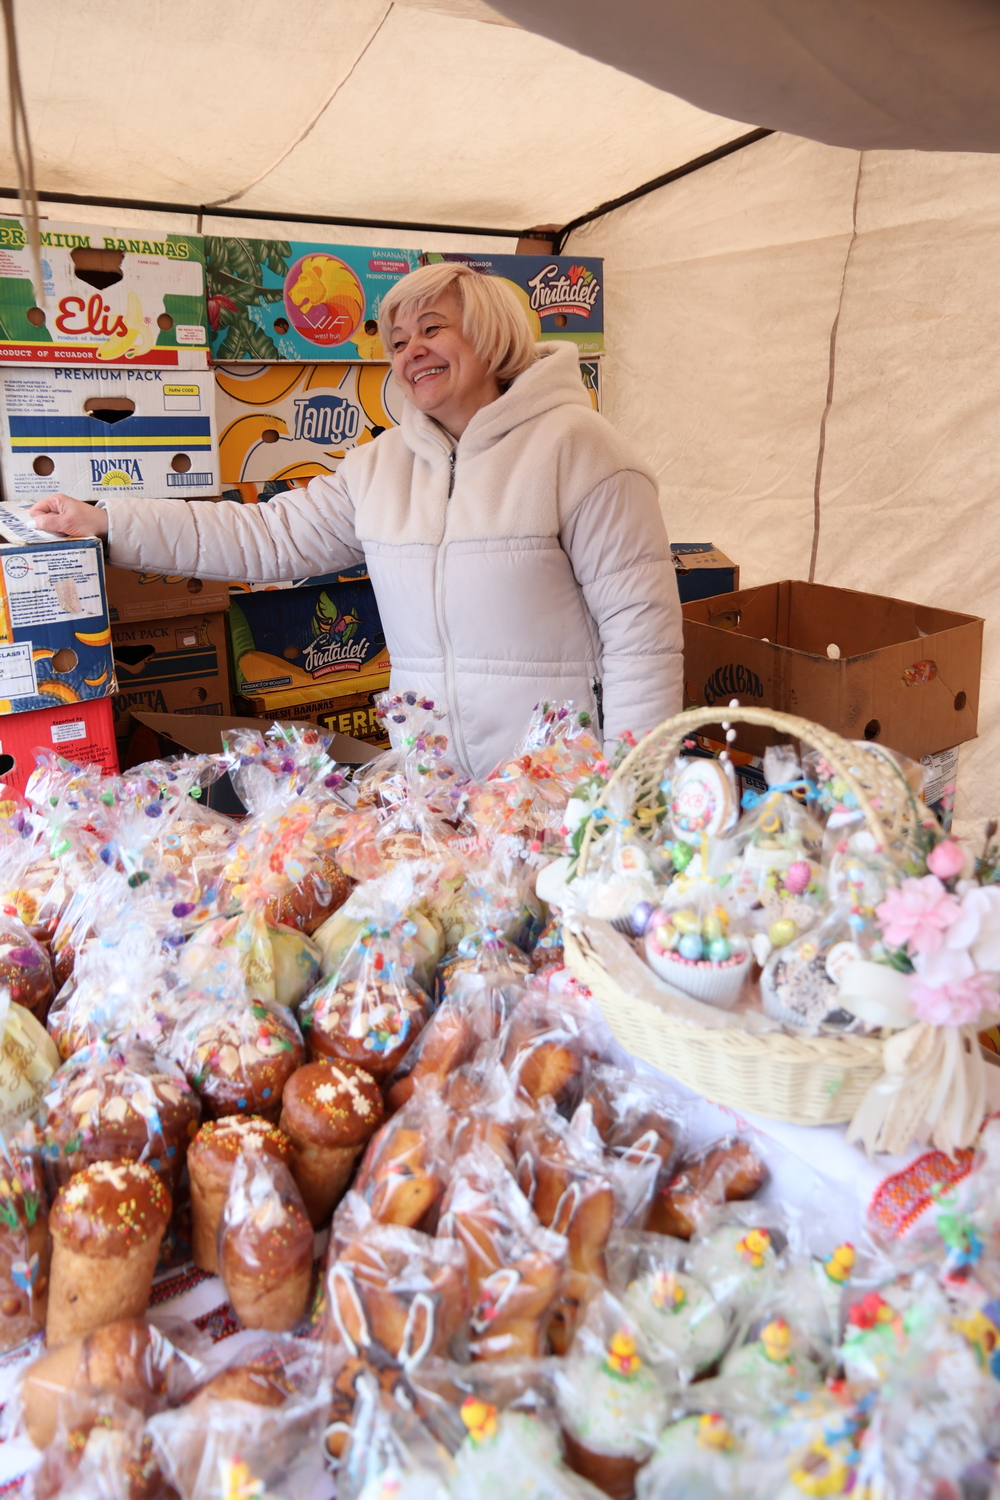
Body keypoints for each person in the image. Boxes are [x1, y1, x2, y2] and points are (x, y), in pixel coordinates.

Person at [29, 262, 683, 780]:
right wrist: (108, 521)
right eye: (398, 341)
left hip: (558, 790)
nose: (412, 351)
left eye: (433, 328)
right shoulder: (379, 467)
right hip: (436, 795)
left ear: (489, 332)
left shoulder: (584, 450)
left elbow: (641, 637)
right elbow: (264, 537)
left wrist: (627, 792)